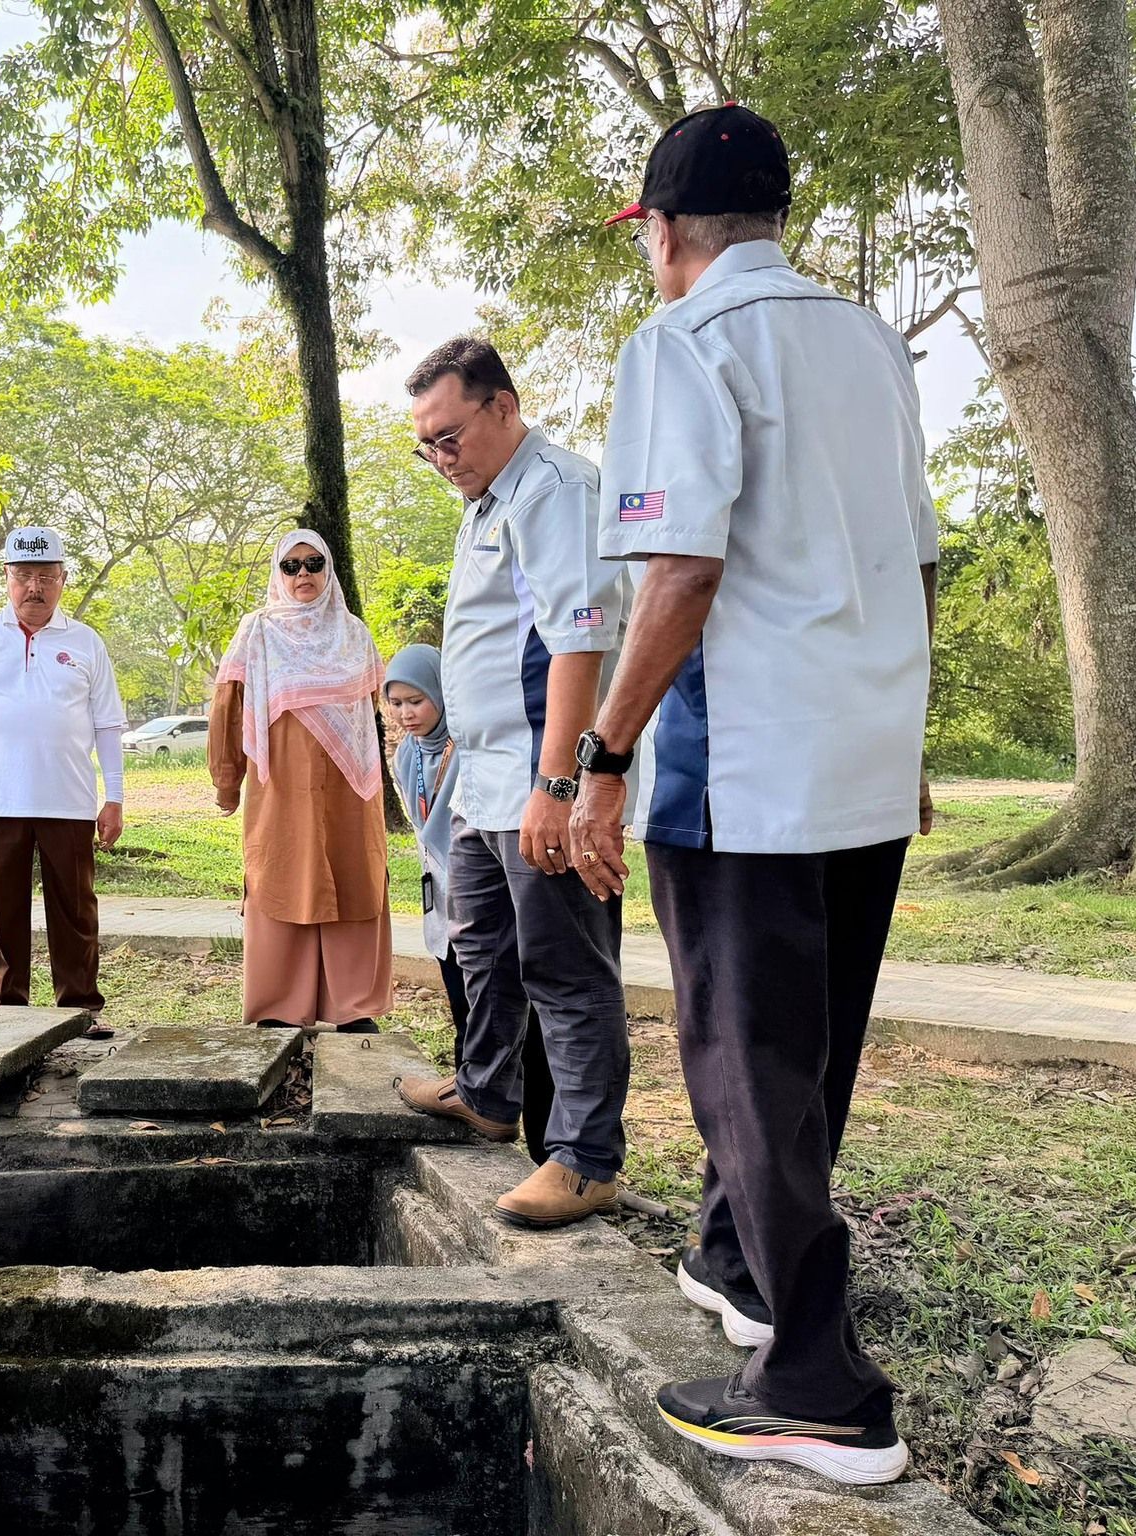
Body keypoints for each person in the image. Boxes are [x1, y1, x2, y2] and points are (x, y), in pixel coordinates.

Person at [572, 104, 937, 1486]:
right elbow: (911, 562)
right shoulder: (869, 345)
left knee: (740, 1059)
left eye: (648, 239)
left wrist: (603, 761)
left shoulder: (682, 344)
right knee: (809, 1050)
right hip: (856, 762)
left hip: (747, 775)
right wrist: (904, 743)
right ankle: (740, 1260)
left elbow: (680, 572)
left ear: (665, 233)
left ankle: (817, 1385)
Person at [395, 337, 632, 1232]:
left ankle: (583, 1157)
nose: (440, 459)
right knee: (481, 948)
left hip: (542, 775)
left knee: (565, 966)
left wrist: (561, 787)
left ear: (503, 406)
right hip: (482, 776)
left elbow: (576, 645)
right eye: (426, 445)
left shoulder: (558, 491)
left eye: (450, 436)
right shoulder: (485, 497)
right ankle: (488, 1092)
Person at [0, 528, 126, 1019]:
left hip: (69, 800)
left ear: (62, 580)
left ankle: (80, 1010)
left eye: (45, 576)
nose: (33, 587)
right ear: (7, 579)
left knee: (75, 912)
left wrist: (115, 797)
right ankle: (5, 1009)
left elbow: (106, 724)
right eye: (23, 576)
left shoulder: (86, 642)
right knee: (1, 913)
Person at [209, 528, 392, 1031]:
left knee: (353, 875)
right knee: (283, 874)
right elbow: (228, 708)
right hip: (282, 785)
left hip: (352, 785)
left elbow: (379, 713)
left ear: (328, 570)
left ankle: (354, 1007)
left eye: (313, 564)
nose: (304, 574)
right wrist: (228, 779)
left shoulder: (353, 633)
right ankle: (277, 1005)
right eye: (291, 566)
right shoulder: (259, 631)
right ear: (278, 573)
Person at [382, 644, 469, 1061]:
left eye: (416, 701)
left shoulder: (466, 746)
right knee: (457, 995)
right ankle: (465, 1075)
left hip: (475, 886)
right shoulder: (406, 754)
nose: (405, 714)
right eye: (396, 703)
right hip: (437, 891)